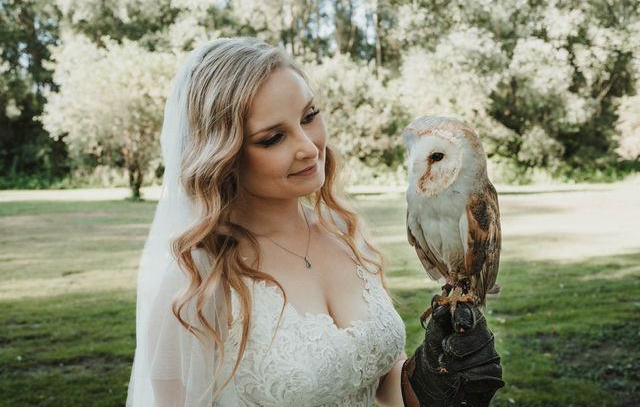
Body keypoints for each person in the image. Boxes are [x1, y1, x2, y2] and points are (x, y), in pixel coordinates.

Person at [126, 37, 504, 407]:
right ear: (223, 155)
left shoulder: (342, 233)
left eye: (309, 116)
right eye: (273, 138)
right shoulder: (197, 278)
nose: (308, 146)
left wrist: (428, 382)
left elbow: (378, 382)